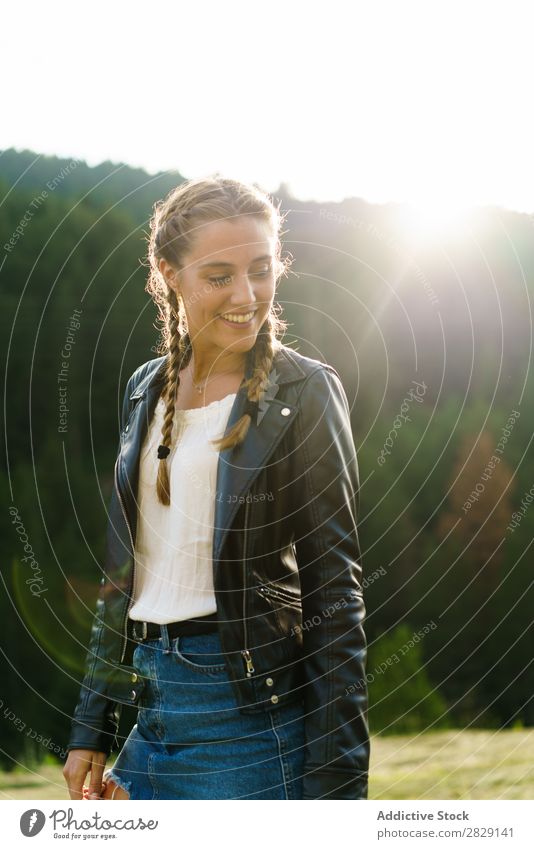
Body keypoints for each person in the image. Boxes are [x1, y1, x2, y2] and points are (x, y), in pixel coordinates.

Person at [62, 175, 370, 800]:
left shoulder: (303, 392)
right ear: (169, 273)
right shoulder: (148, 387)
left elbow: (334, 591)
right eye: (219, 275)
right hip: (149, 716)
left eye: (260, 269)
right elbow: (123, 571)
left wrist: (341, 782)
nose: (247, 294)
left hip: (248, 721)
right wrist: (91, 720)